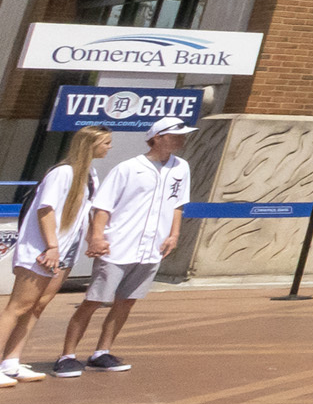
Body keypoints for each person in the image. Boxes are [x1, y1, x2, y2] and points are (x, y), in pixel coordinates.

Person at [52, 117, 194, 374]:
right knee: (94, 300)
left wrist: (174, 234)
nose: (182, 139)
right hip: (119, 246)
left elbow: (177, 204)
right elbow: (102, 207)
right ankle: (66, 355)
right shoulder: (128, 168)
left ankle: (102, 352)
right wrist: (97, 237)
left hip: (152, 248)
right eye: (176, 135)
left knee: (126, 301)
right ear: (158, 137)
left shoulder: (181, 167)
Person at [3, 127, 105, 381]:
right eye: (106, 142)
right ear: (88, 145)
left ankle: (11, 361)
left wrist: (93, 238)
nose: (109, 147)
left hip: (65, 250)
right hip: (43, 249)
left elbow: (87, 213)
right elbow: (45, 210)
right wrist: (52, 246)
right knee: (18, 306)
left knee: (38, 306)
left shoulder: (90, 174)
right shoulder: (63, 173)